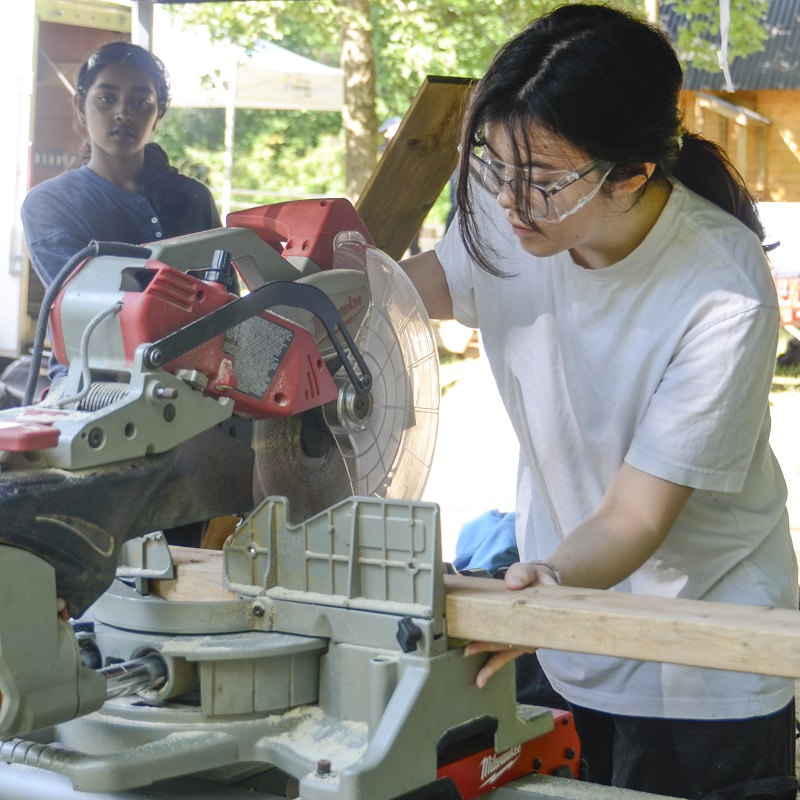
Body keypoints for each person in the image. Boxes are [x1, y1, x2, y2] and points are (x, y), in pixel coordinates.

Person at [401, 4, 798, 798]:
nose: (510, 199)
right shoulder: (512, 201)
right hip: (559, 626)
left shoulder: (721, 290)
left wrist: (545, 581)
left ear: (634, 171)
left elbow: (634, 516)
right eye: (495, 164)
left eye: (543, 180)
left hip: (698, 660)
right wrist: (339, 298)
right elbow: (447, 280)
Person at [21, 40, 222, 380]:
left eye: (141, 101)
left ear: (158, 114)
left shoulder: (194, 199)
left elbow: (224, 301)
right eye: (107, 98)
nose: (124, 113)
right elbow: (91, 308)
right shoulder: (50, 204)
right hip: (92, 392)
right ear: (81, 107)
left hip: (195, 389)